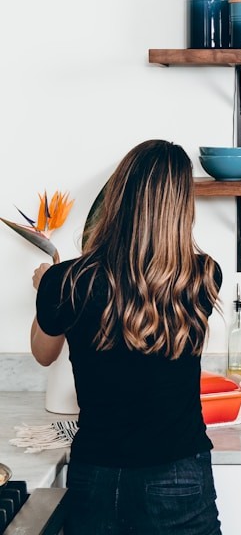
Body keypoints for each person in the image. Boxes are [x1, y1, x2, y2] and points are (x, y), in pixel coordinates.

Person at [31, 139, 223, 535]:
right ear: (182, 208)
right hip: (179, 473)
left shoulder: (66, 280)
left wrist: (45, 290)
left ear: (116, 196)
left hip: (96, 474)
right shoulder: (203, 276)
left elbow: (43, 353)